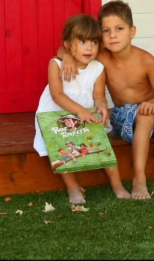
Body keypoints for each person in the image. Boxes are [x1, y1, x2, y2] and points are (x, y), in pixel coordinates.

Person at [58, 0, 154, 200]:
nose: (113, 36)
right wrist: (66, 57)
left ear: (132, 31)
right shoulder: (101, 56)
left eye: (119, 29)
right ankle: (139, 179)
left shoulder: (146, 60)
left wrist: (153, 103)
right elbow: (65, 50)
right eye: (106, 31)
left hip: (151, 106)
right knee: (145, 117)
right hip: (124, 113)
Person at [33, 13, 131, 204]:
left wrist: (102, 107)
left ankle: (117, 185)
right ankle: (73, 187)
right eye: (83, 41)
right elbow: (57, 95)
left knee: (103, 143)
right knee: (61, 147)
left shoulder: (97, 68)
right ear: (69, 45)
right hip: (56, 113)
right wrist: (80, 111)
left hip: (85, 113)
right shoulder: (56, 64)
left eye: (94, 42)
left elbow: (99, 96)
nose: (89, 47)